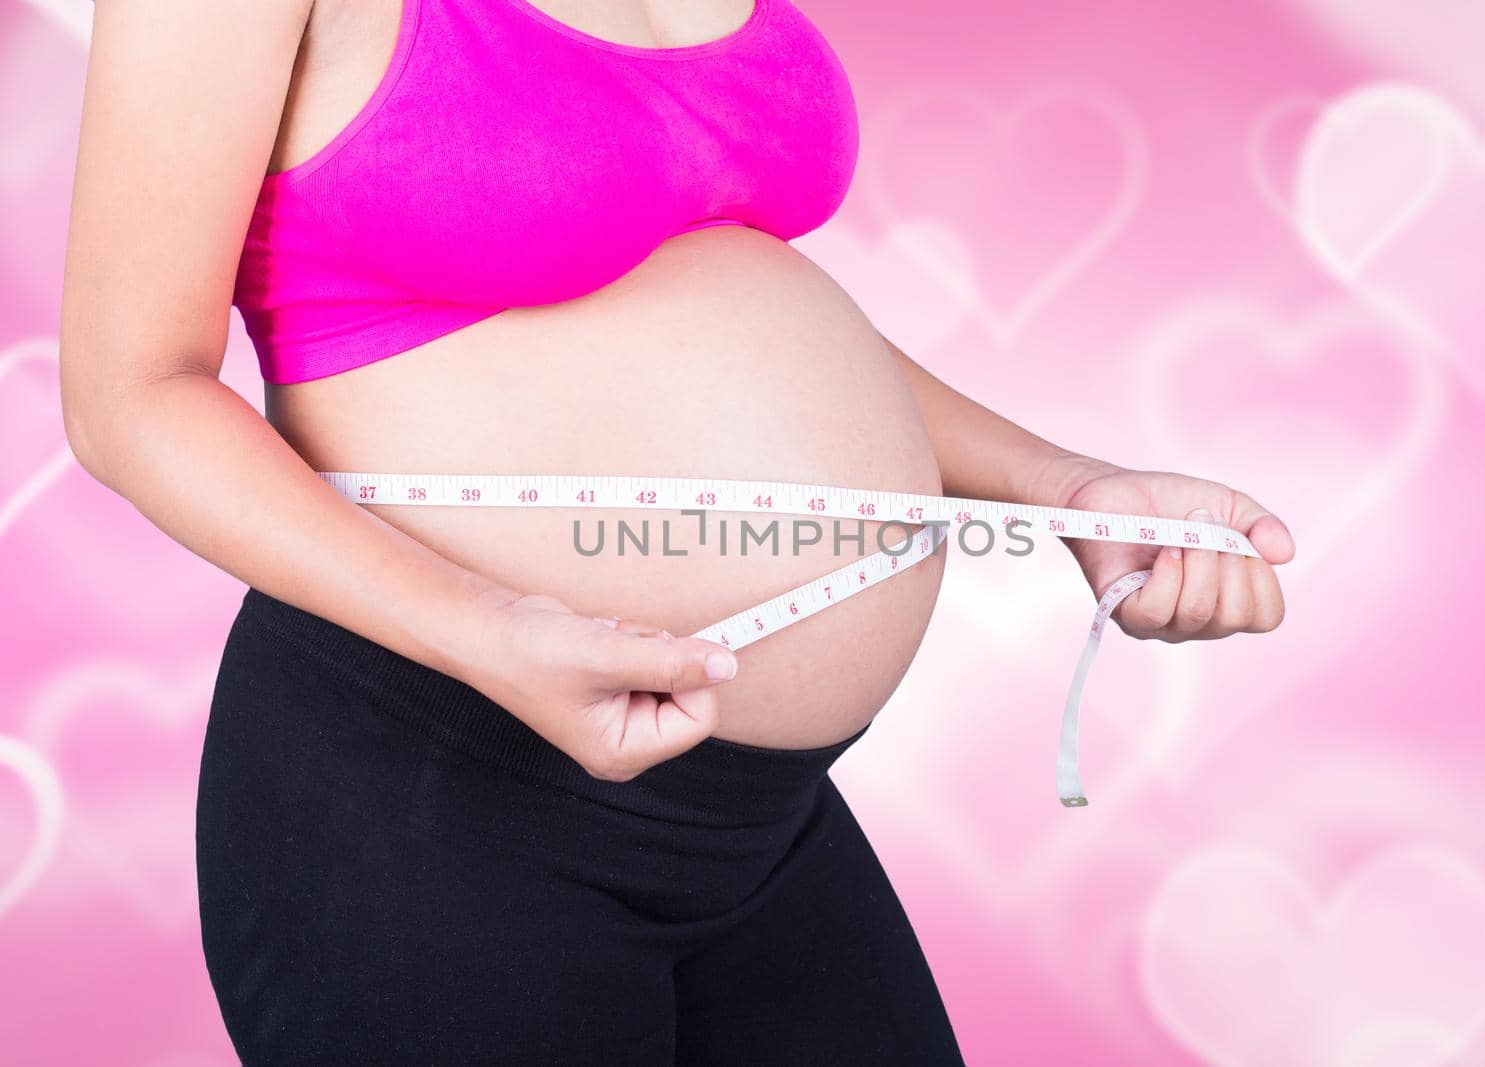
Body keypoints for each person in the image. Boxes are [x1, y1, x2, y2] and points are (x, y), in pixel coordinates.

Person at [58, 0, 1294, 1062]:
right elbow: (131, 397)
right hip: (433, 785)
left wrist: (1064, 484)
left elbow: (701, 289)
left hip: (752, 817)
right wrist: (490, 628)